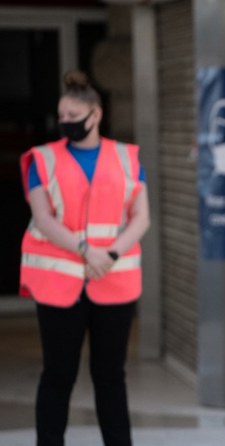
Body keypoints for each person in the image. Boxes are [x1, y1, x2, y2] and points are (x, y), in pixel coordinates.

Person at [19, 70, 150, 446]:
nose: (66, 123)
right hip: (59, 286)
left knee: (110, 377)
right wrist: (85, 250)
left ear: (96, 114)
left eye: (74, 117)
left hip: (114, 281)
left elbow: (141, 217)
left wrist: (111, 253)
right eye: (62, 116)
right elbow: (43, 218)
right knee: (58, 375)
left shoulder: (127, 158)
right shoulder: (43, 159)